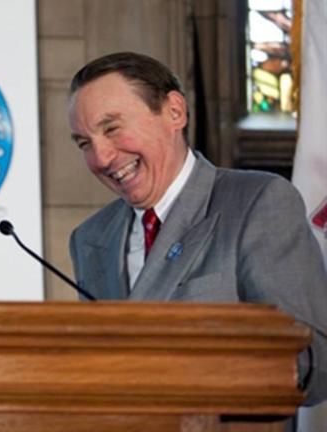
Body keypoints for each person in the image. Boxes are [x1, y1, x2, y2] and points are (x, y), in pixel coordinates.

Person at [67, 52, 327, 406]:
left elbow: (315, 365)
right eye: (84, 143)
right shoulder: (90, 238)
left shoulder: (256, 203)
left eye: (112, 129)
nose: (100, 158)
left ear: (174, 112)